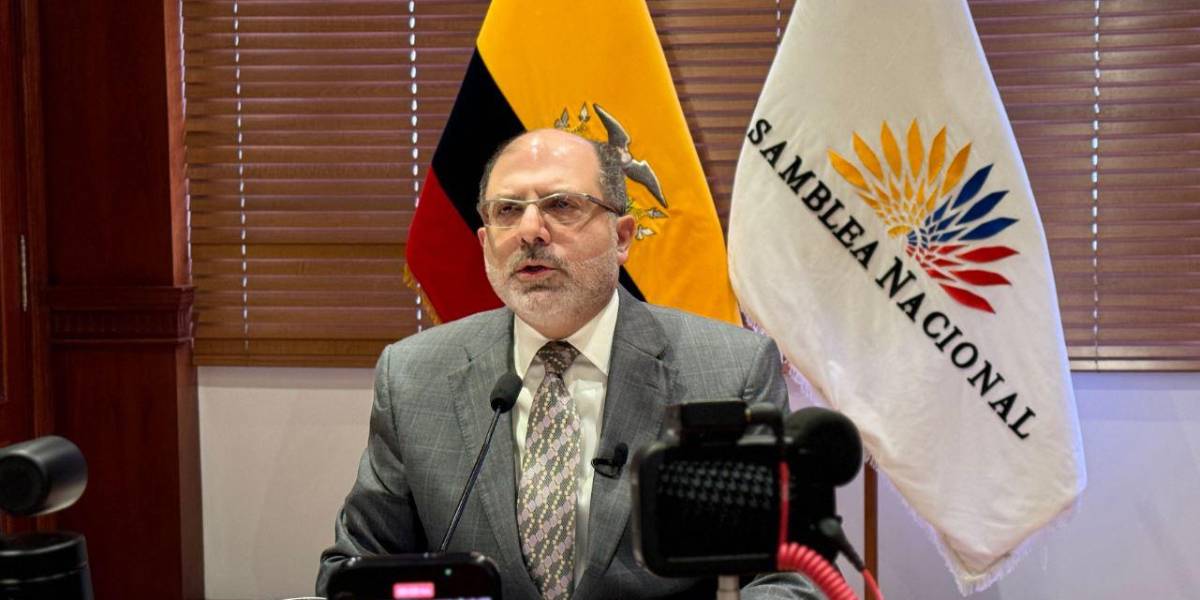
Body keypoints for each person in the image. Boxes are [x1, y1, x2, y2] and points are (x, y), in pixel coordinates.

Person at [317, 129, 823, 599]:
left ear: (622, 237)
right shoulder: (413, 375)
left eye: (561, 205)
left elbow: (791, 577)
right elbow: (355, 569)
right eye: (508, 211)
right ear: (485, 244)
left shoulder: (729, 369)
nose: (530, 231)